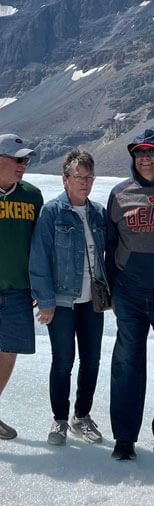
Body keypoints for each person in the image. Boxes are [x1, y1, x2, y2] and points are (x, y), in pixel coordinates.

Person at [106, 128, 154, 460]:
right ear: (133, 158)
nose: (145, 158)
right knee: (127, 365)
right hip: (130, 295)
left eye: (151, 152)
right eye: (139, 153)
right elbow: (110, 245)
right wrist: (112, 287)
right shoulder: (120, 194)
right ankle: (124, 439)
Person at [29, 150, 107, 446]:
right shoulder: (52, 212)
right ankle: (60, 419)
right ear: (65, 180)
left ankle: (81, 417)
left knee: (92, 360)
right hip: (61, 302)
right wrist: (45, 300)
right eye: (79, 177)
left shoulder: (98, 213)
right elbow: (39, 259)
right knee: (63, 361)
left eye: (89, 177)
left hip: (93, 302)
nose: (85, 183)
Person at [0, 133, 42, 440]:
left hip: (18, 289)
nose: (24, 165)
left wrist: (38, 286)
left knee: (10, 350)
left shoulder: (32, 196)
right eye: (19, 160)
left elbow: (39, 244)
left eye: (26, 160)